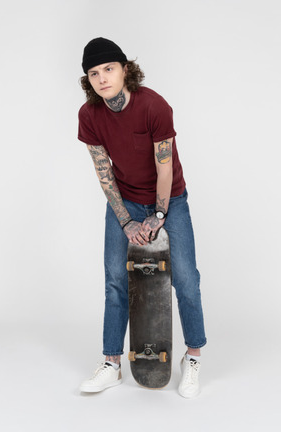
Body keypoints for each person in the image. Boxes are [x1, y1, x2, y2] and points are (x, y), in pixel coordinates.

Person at [77, 37, 207, 398]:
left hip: (171, 200)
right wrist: (126, 221)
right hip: (126, 202)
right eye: (94, 73)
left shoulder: (154, 106)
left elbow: (164, 170)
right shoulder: (89, 116)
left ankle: (192, 358)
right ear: (88, 80)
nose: (102, 78)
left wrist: (160, 213)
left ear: (125, 70)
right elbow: (104, 174)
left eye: (109, 69)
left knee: (186, 279)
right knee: (116, 281)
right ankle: (111, 364)